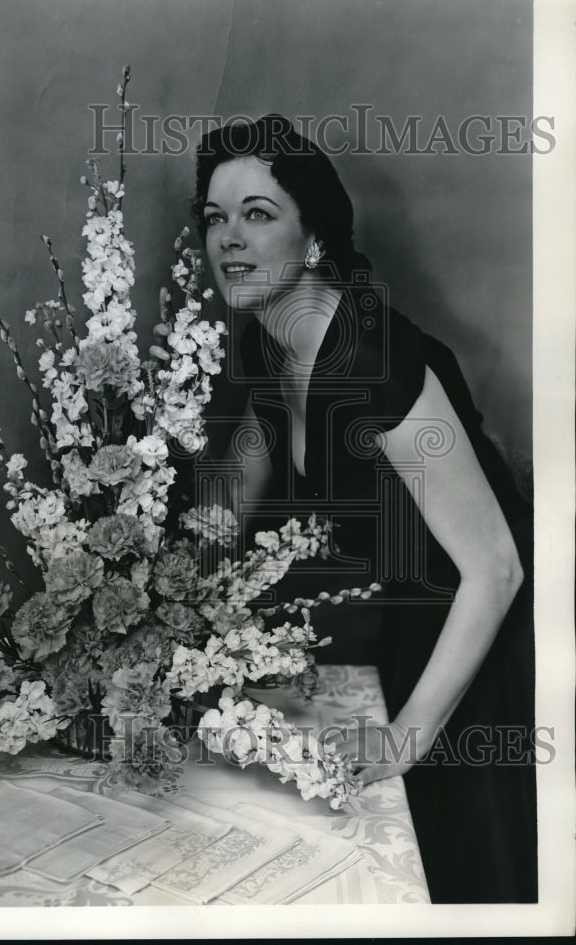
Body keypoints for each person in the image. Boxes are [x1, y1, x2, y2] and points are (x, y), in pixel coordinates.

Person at [191, 115, 537, 904]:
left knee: (472, 872)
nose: (229, 239)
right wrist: (145, 601)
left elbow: (496, 566)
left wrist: (403, 737)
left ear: (313, 239)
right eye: (216, 217)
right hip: (410, 625)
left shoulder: (373, 356)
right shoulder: (264, 339)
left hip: (494, 630)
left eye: (258, 214)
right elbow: (227, 509)